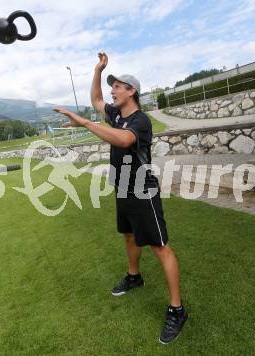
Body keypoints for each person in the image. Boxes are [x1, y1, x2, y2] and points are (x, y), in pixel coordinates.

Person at [54, 52, 188, 344]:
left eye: (117, 86)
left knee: (160, 247)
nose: (112, 90)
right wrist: (98, 71)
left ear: (132, 91)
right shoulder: (116, 114)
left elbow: (124, 140)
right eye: (111, 85)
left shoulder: (141, 122)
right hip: (123, 188)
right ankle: (134, 276)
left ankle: (177, 309)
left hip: (143, 190)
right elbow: (95, 101)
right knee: (128, 236)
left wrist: (85, 124)